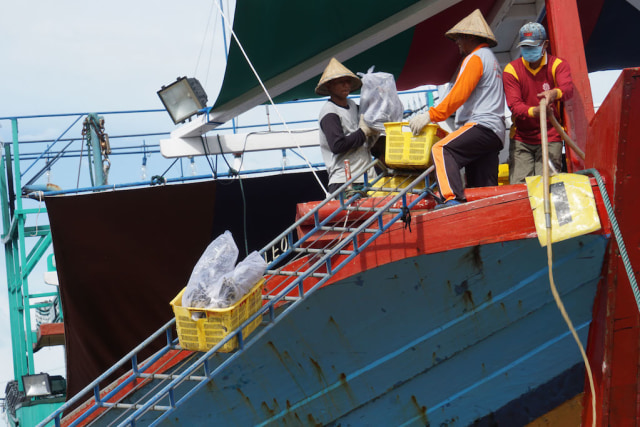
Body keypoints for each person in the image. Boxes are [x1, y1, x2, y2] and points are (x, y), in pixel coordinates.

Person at [409, 9, 505, 209]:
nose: (457, 44)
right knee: (483, 192)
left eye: (459, 39)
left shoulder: (475, 58)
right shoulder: (492, 60)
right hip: (495, 132)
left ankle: (451, 199)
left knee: (442, 149)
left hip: (481, 125)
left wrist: (431, 115)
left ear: (470, 37)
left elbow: (459, 94)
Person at [503, 22, 574, 184]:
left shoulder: (558, 65)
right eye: (525, 47)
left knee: (549, 187)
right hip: (521, 139)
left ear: (545, 45)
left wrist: (553, 93)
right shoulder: (511, 70)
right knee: (519, 191)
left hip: (551, 136)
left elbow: (568, 89)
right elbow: (514, 105)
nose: (529, 51)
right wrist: (536, 111)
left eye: (533, 46)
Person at [316, 57, 379, 194]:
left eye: (347, 82)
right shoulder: (329, 112)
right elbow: (337, 145)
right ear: (329, 86)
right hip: (344, 181)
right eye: (340, 82)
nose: (346, 85)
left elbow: (370, 126)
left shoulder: (353, 106)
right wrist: (363, 132)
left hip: (367, 176)